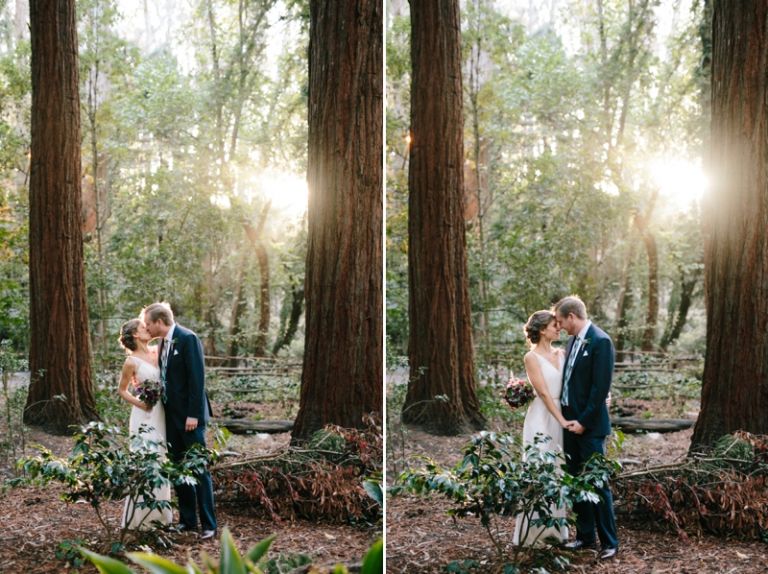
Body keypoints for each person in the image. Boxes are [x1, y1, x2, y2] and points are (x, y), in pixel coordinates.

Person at [141, 302, 217, 540]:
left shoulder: (188, 338)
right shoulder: (163, 342)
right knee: (178, 468)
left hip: (190, 417)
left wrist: (193, 414)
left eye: (148, 323)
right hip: (171, 417)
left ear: (159, 322)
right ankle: (187, 520)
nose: (147, 328)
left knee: (198, 468)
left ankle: (209, 524)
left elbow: (197, 379)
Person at [555, 295, 619, 560]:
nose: (559, 327)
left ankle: (609, 542)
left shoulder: (601, 341)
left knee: (597, 483)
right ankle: (584, 536)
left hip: (590, 427)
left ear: (572, 316)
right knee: (576, 481)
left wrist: (583, 422)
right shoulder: (572, 342)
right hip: (569, 424)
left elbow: (599, 389)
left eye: (560, 321)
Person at [512, 310, 569, 547]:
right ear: (542, 329)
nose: (559, 328)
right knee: (539, 468)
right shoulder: (531, 358)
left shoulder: (562, 353)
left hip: (562, 413)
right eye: (554, 325)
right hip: (542, 417)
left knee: (558, 469)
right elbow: (544, 393)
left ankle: (557, 532)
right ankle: (532, 535)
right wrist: (561, 420)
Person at [117, 318, 173, 529]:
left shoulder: (157, 352)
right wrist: (141, 404)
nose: (147, 328)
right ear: (135, 335)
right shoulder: (131, 362)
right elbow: (122, 391)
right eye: (143, 327)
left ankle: (161, 517)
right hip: (143, 414)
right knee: (144, 460)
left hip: (161, 414)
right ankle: (140, 520)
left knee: (160, 457)